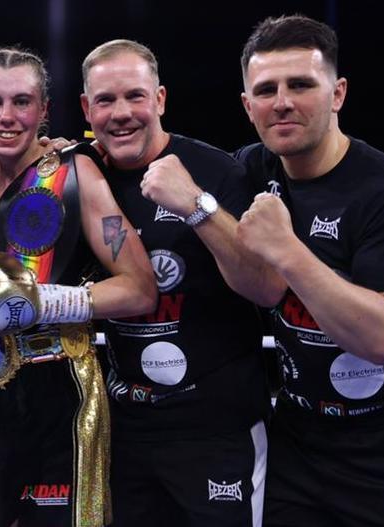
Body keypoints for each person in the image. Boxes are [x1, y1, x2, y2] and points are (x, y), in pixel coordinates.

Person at [234, 15, 384, 527]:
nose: (283, 102)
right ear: (249, 107)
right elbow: (168, 160)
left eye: (300, 85)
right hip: (300, 439)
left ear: (337, 94)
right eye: (266, 90)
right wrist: (62, 159)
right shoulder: (254, 168)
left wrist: (286, 250)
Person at [0, 47, 156, 527]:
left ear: (44, 110)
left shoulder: (72, 174)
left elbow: (141, 289)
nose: (7, 117)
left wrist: (42, 302)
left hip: (58, 399)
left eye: (22, 102)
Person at [78, 39, 273, 526]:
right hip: (126, 429)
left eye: (135, 96)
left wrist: (196, 205)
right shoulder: (79, 173)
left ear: (160, 99)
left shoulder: (215, 170)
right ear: (86, 107)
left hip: (217, 429)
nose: (121, 113)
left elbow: (265, 288)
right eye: (105, 100)